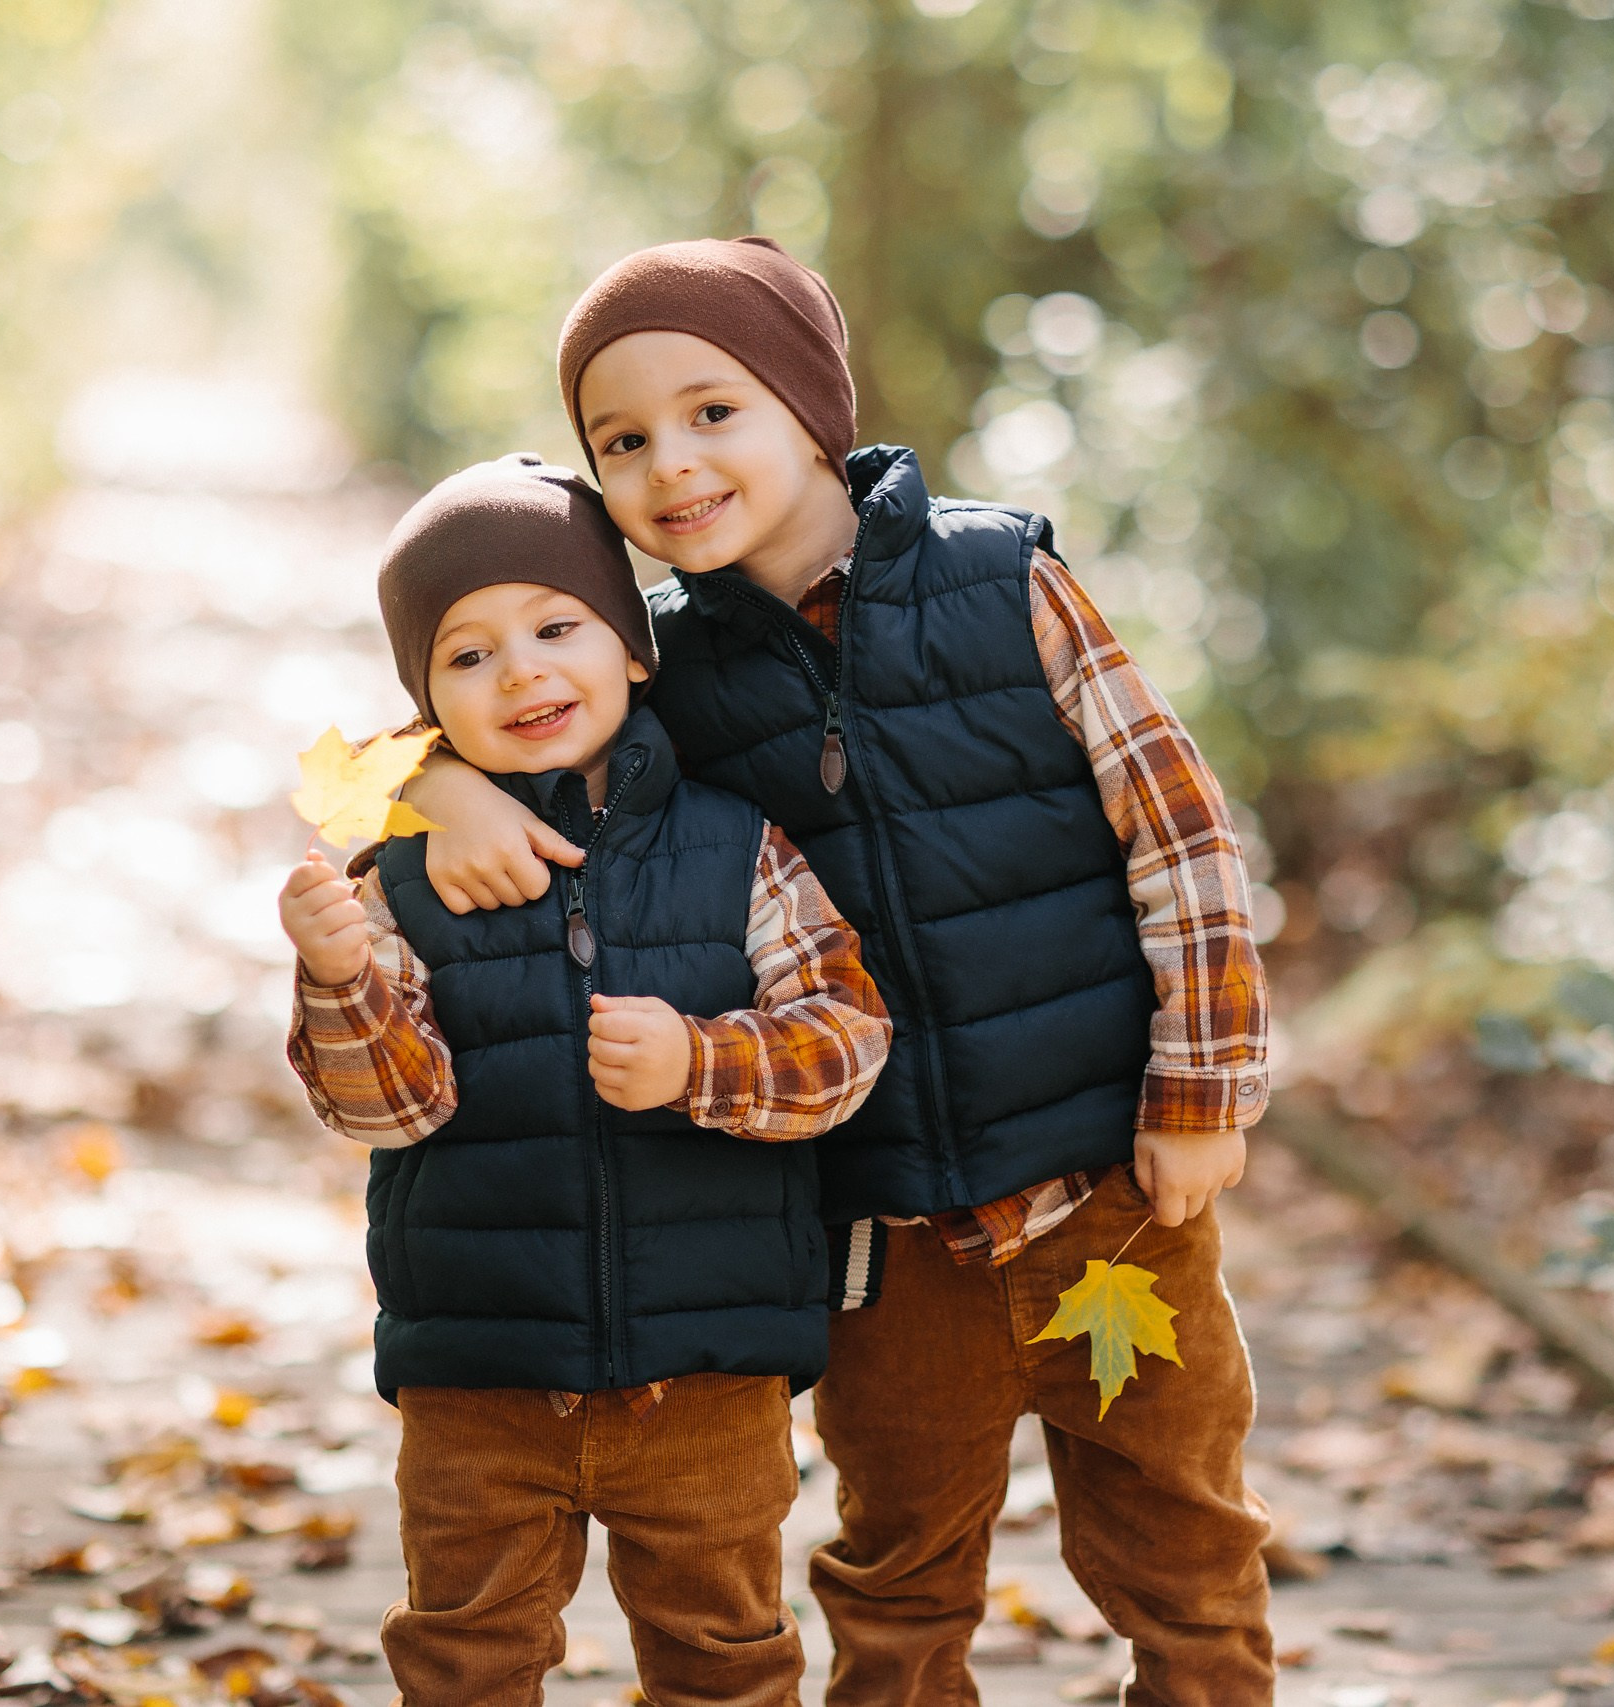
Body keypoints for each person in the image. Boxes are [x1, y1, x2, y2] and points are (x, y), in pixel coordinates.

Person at [402, 241, 1276, 1707]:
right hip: (879, 1234)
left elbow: (1177, 834)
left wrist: (1204, 1086)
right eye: (622, 442)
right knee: (898, 1571)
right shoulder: (660, 668)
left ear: (807, 403)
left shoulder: (1007, 582)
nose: (671, 463)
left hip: (1113, 1190)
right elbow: (504, 697)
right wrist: (431, 786)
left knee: (1181, 1537)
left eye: (711, 411)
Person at [279, 451, 891, 1707]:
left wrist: (698, 1061)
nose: (522, 671)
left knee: (724, 1656)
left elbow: (848, 1038)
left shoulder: (739, 847)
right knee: (464, 1655)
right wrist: (341, 981)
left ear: (634, 649)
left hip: (709, 1367)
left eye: (558, 626)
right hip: (479, 1370)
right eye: (468, 654)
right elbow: (385, 1108)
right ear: (426, 706)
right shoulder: (400, 874)